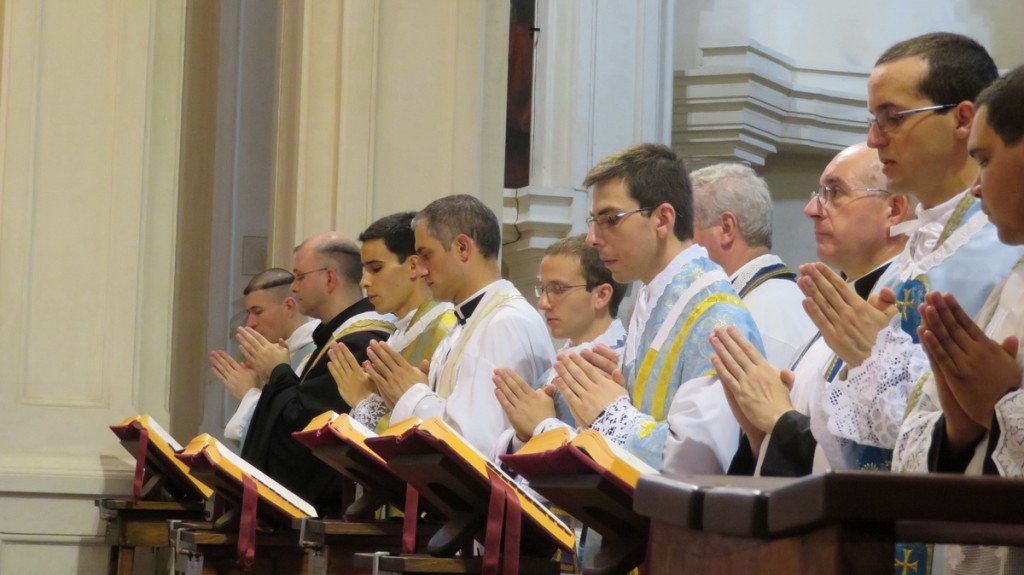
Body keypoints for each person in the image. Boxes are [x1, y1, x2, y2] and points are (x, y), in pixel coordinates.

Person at [800, 33, 1024, 467]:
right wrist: (857, 363)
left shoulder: (1002, 250)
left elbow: (982, 413)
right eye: (873, 119)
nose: (874, 138)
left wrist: (873, 358)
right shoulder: (901, 265)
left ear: (961, 120)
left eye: (892, 118)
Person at [550, 143, 763, 476]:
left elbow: (699, 463)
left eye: (610, 219)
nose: (592, 238)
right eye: (594, 220)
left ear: (663, 219)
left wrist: (610, 413)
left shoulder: (716, 318)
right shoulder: (652, 298)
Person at [709, 143, 911, 476]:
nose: (811, 209)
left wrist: (780, 422)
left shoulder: (904, 306)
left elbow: (886, 459)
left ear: (893, 209)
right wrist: (760, 433)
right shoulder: (844, 302)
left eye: (834, 192)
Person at [894, 64, 1024, 575]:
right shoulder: (1014, 281)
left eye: (986, 160)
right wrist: (959, 429)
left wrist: (1003, 405)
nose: (976, 188)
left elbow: (1001, 406)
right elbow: (929, 436)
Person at [361, 195, 555, 455]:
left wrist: (414, 394)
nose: (421, 270)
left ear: (463, 248)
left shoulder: (505, 323)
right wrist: (413, 393)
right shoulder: (467, 322)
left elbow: (477, 447)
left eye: (426, 255)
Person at [238, 232, 394, 516]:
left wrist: (278, 372)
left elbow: (310, 429)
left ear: (329, 278)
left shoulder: (359, 343)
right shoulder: (334, 339)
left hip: (327, 511)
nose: (293, 288)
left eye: (299, 277)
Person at [490, 234, 627, 454]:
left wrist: (543, 425)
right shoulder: (550, 374)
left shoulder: (623, 366)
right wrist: (522, 435)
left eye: (558, 289)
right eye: (542, 289)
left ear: (601, 295)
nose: (543, 303)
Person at [329, 212, 457, 432]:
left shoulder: (445, 329)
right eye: (364, 270)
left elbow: (442, 429)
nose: (364, 281)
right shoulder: (399, 333)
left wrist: (364, 400)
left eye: (376, 269)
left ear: (413, 266)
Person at [690, 163, 816, 367]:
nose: (682, 247)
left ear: (726, 228)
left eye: (687, 231)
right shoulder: (793, 296)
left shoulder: (743, 322)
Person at [210, 268, 317, 448]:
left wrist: (249, 394)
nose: (250, 323)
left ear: (289, 306)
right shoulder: (280, 353)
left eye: (257, 311)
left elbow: (290, 433)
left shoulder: (313, 354)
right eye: (249, 313)